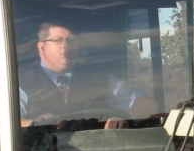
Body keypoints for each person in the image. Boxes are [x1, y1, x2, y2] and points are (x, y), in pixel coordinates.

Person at [18, 21, 157, 129]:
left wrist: (125, 117)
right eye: (57, 40)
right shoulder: (21, 81)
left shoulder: (97, 78)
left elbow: (147, 103)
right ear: (41, 47)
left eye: (71, 40)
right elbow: (11, 121)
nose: (66, 46)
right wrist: (36, 124)